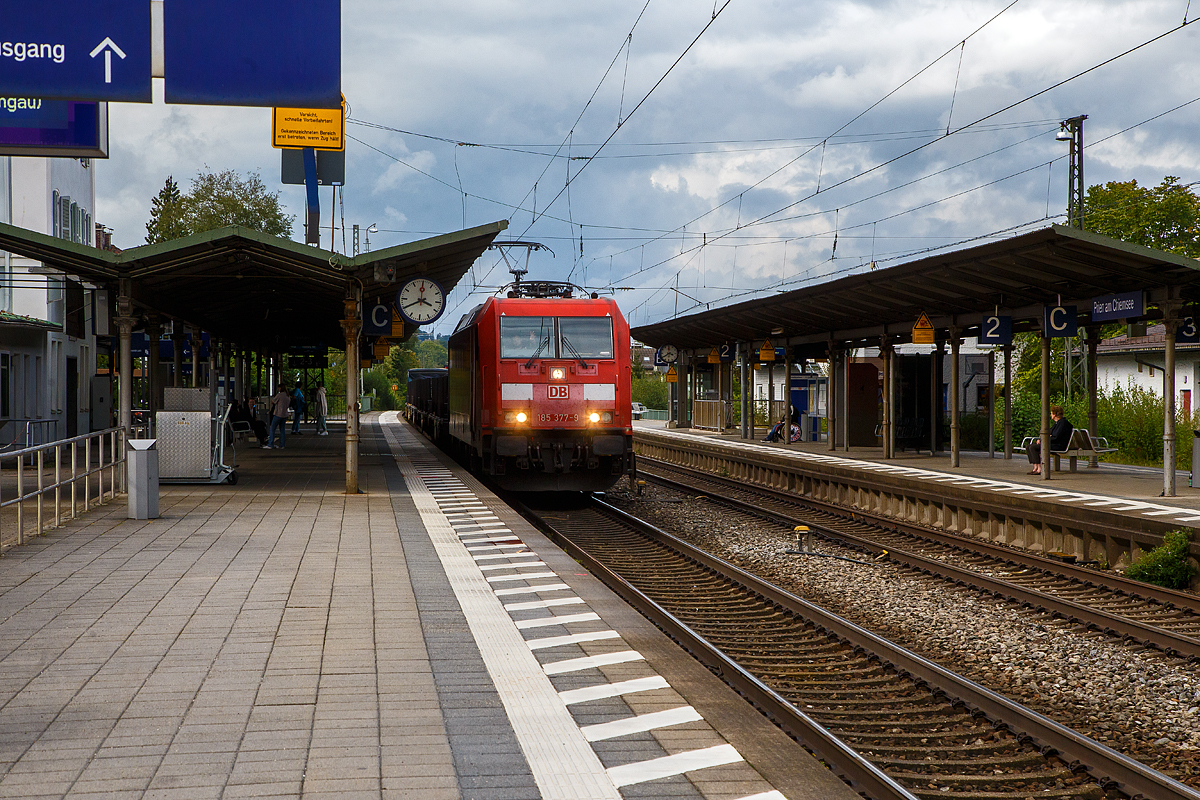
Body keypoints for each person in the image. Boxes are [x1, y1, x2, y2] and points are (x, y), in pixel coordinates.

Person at [1027, 404, 1073, 474]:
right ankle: (1035, 466)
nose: (1050, 415)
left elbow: (1056, 437)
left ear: (1055, 414)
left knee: (1033, 447)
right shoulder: (1057, 423)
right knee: (1029, 446)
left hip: (1059, 445)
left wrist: (1044, 440)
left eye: (1051, 413)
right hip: (1054, 443)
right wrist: (1042, 439)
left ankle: (1039, 468)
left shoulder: (1063, 423)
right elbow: (1049, 433)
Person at [266, 385, 291, 449]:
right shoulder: (287, 396)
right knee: (282, 430)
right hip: (285, 414)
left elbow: (273, 402)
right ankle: (282, 444)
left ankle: (270, 443)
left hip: (278, 414)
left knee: (272, 429)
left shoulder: (279, 395)